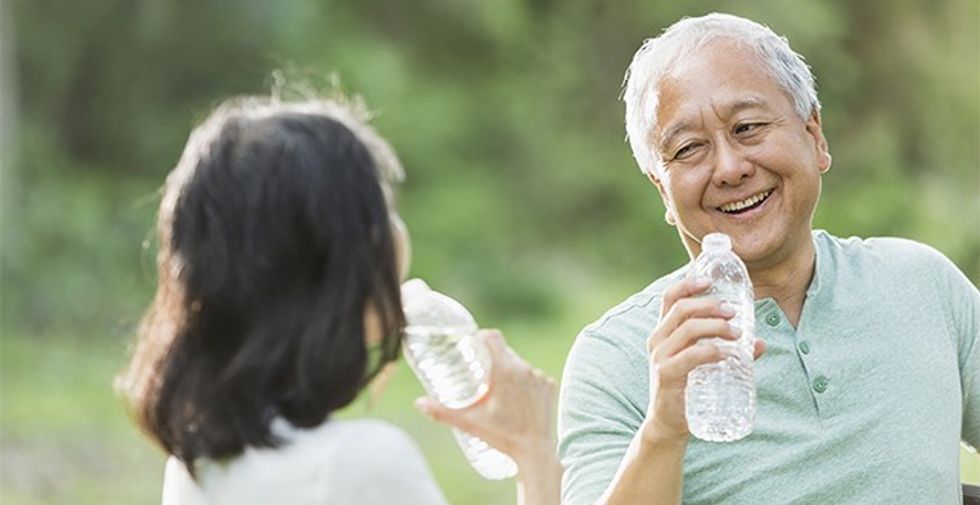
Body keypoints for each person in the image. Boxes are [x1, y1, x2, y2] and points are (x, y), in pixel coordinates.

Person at [557, 12, 979, 505]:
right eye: (689, 149)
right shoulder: (615, 359)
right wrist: (664, 429)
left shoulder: (920, 284)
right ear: (662, 191)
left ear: (815, 135)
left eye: (748, 127)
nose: (730, 168)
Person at [116, 96, 562, 505]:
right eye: (380, 210)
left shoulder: (196, 462)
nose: (395, 232)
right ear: (335, 258)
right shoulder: (359, 464)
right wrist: (537, 452)